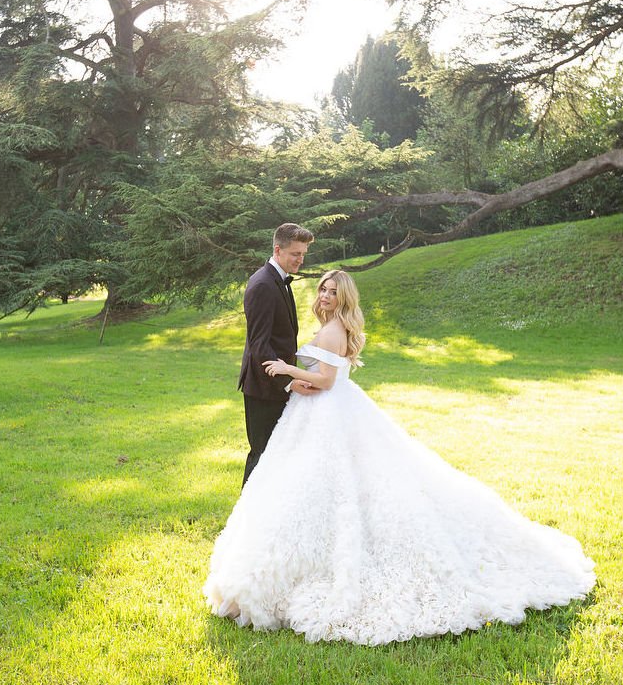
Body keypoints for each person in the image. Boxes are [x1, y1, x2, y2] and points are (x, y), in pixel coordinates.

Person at [205, 270, 596, 646]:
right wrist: (299, 380)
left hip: (329, 416)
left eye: (332, 292)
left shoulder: (334, 329)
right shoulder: (331, 328)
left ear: (344, 299)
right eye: (322, 289)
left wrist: (287, 368)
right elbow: (322, 374)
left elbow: (326, 379)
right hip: (319, 412)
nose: (324, 296)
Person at [238, 222, 315, 486]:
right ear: (278, 250)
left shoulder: (279, 280)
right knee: (262, 454)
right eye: (295, 254)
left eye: (303, 254)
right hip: (263, 387)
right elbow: (259, 345)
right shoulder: (262, 284)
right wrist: (288, 382)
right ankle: (246, 510)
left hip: (276, 385)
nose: (300, 259)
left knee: (278, 453)